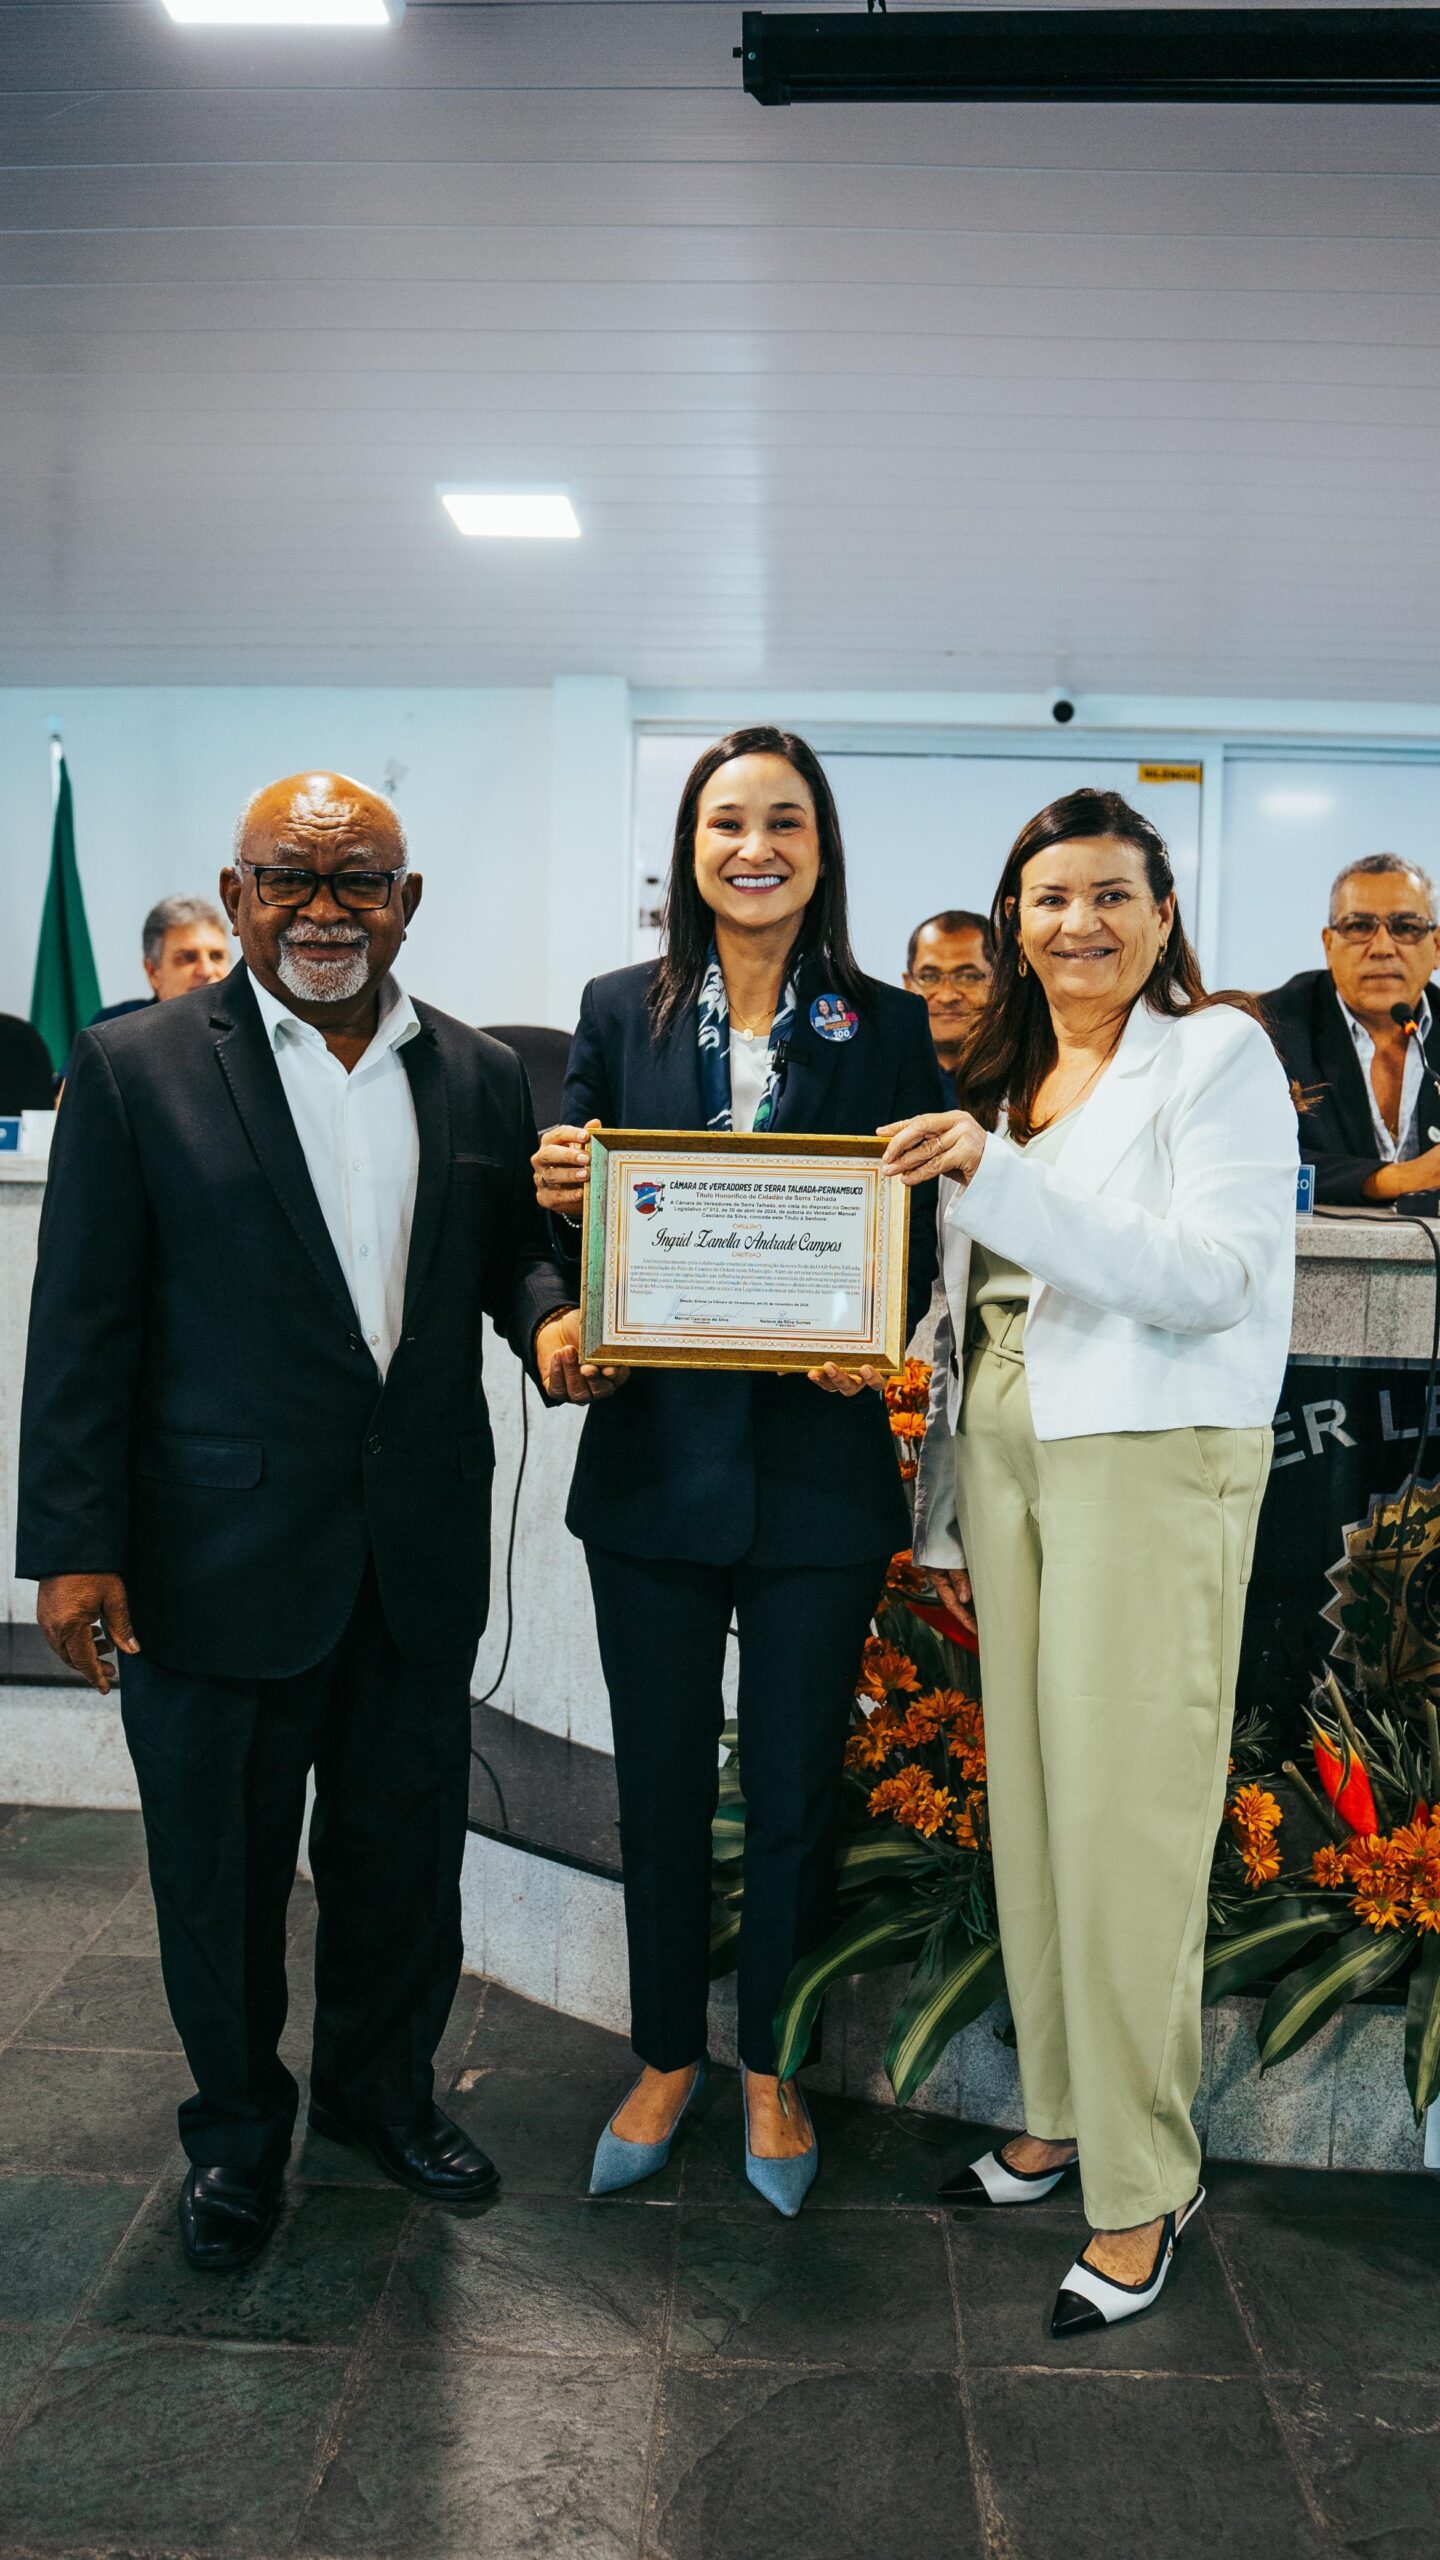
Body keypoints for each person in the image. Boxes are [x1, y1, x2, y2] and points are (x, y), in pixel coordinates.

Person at [18, 771, 608, 2273]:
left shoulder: (478, 1074)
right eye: (293, 879)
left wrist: (551, 1324)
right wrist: (72, 1546)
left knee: (401, 1856)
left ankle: (375, 2095)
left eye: (360, 885)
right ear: (235, 897)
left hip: (410, 1555)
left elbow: (510, 1261)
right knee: (215, 1876)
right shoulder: (135, 1067)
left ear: (408, 906)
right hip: (209, 1563)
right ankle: (232, 2134)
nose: (326, 911)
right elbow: (81, 1324)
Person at [882, 787, 1296, 2336]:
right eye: (1051, 899)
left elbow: (1217, 1276)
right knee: (1039, 1811)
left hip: (1148, 1456)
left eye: (1114, 895)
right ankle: (1058, 2114)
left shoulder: (1219, 1055)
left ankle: (1145, 2183)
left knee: (1127, 1828)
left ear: (1164, 914)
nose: (1082, 923)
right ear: (1014, 920)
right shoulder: (1006, 1070)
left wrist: (1000, 1180)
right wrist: (946, 1519)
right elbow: (969, 1312)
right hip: (1010, 1455)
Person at [533, 727, 943, 2215]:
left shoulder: (888, 1023)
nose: (753, 845)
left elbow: (922, 1242)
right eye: (725, 822)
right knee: (654, 1785)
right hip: (651, 1469)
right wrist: (557, 1309)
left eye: (783, 820)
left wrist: (880, 1335)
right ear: (689, 851)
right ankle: (661, 2055)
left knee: (789, 1786)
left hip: (819, 1478)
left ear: (820, 849)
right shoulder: (610, 1011)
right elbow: (555, 1215)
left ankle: (769, 2066)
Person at [1262, 853, 1440, 1210]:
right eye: (1359, 926)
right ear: (1329, 945)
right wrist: (1401, 1178)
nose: (1383, 948)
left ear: (1436, 948)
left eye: (1406, 927)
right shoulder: (1270, 1027)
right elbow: (1252, 1154)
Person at [78, 896, 234, 1042]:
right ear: (153, 972)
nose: (206, 971)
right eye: (188, 958)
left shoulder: (250, 1021)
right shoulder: (112, 1031)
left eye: (217, 956)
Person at [903, 908, 994, 1098]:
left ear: (1001, 984)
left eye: (967, 977)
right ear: (908, 985)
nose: (947, 996)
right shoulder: (874, 1077)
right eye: (929, 977)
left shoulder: (1034, 1080)